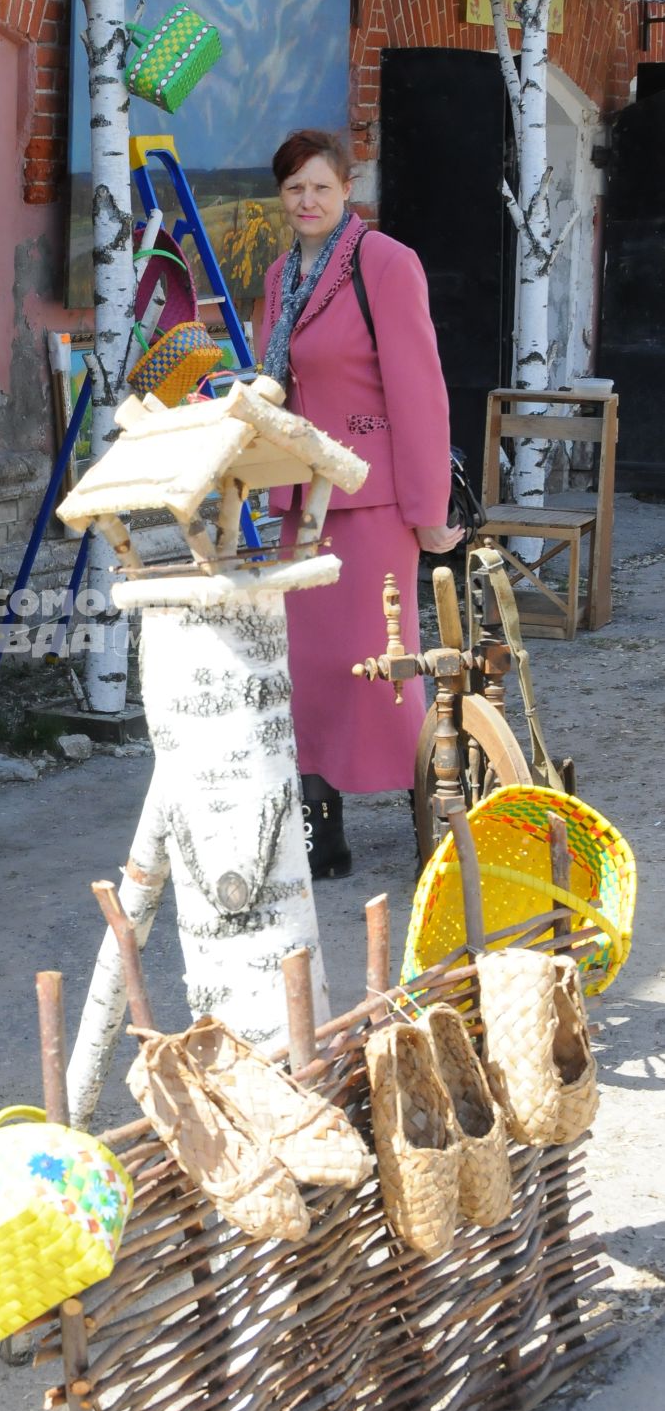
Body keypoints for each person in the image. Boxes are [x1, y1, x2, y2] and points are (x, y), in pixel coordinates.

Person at [256, 130, 461, 878]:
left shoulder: (383, 263)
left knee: (380, 665)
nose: (305, 201)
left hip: (372, 499)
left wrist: (427, 507)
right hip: (299, 503)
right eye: (291, 189)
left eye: (318, 186)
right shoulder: (280, 274)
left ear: (347, 189)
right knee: (304, 669)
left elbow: (418, 391)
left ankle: (434, 821)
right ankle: (319, 829)